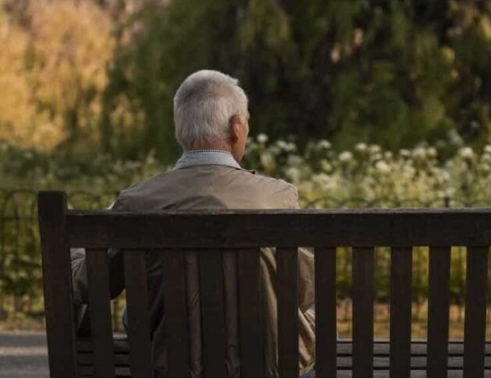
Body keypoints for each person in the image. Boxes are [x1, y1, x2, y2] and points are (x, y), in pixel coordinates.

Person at [69, 70, 315, 378]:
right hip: (268, 364)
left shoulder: (139, 202)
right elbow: (303, 291)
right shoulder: (278, 197)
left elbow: (91, 283)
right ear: (236, 128)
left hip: (169, 362)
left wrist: (79, 247)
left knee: (136, 312)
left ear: (179, 130)